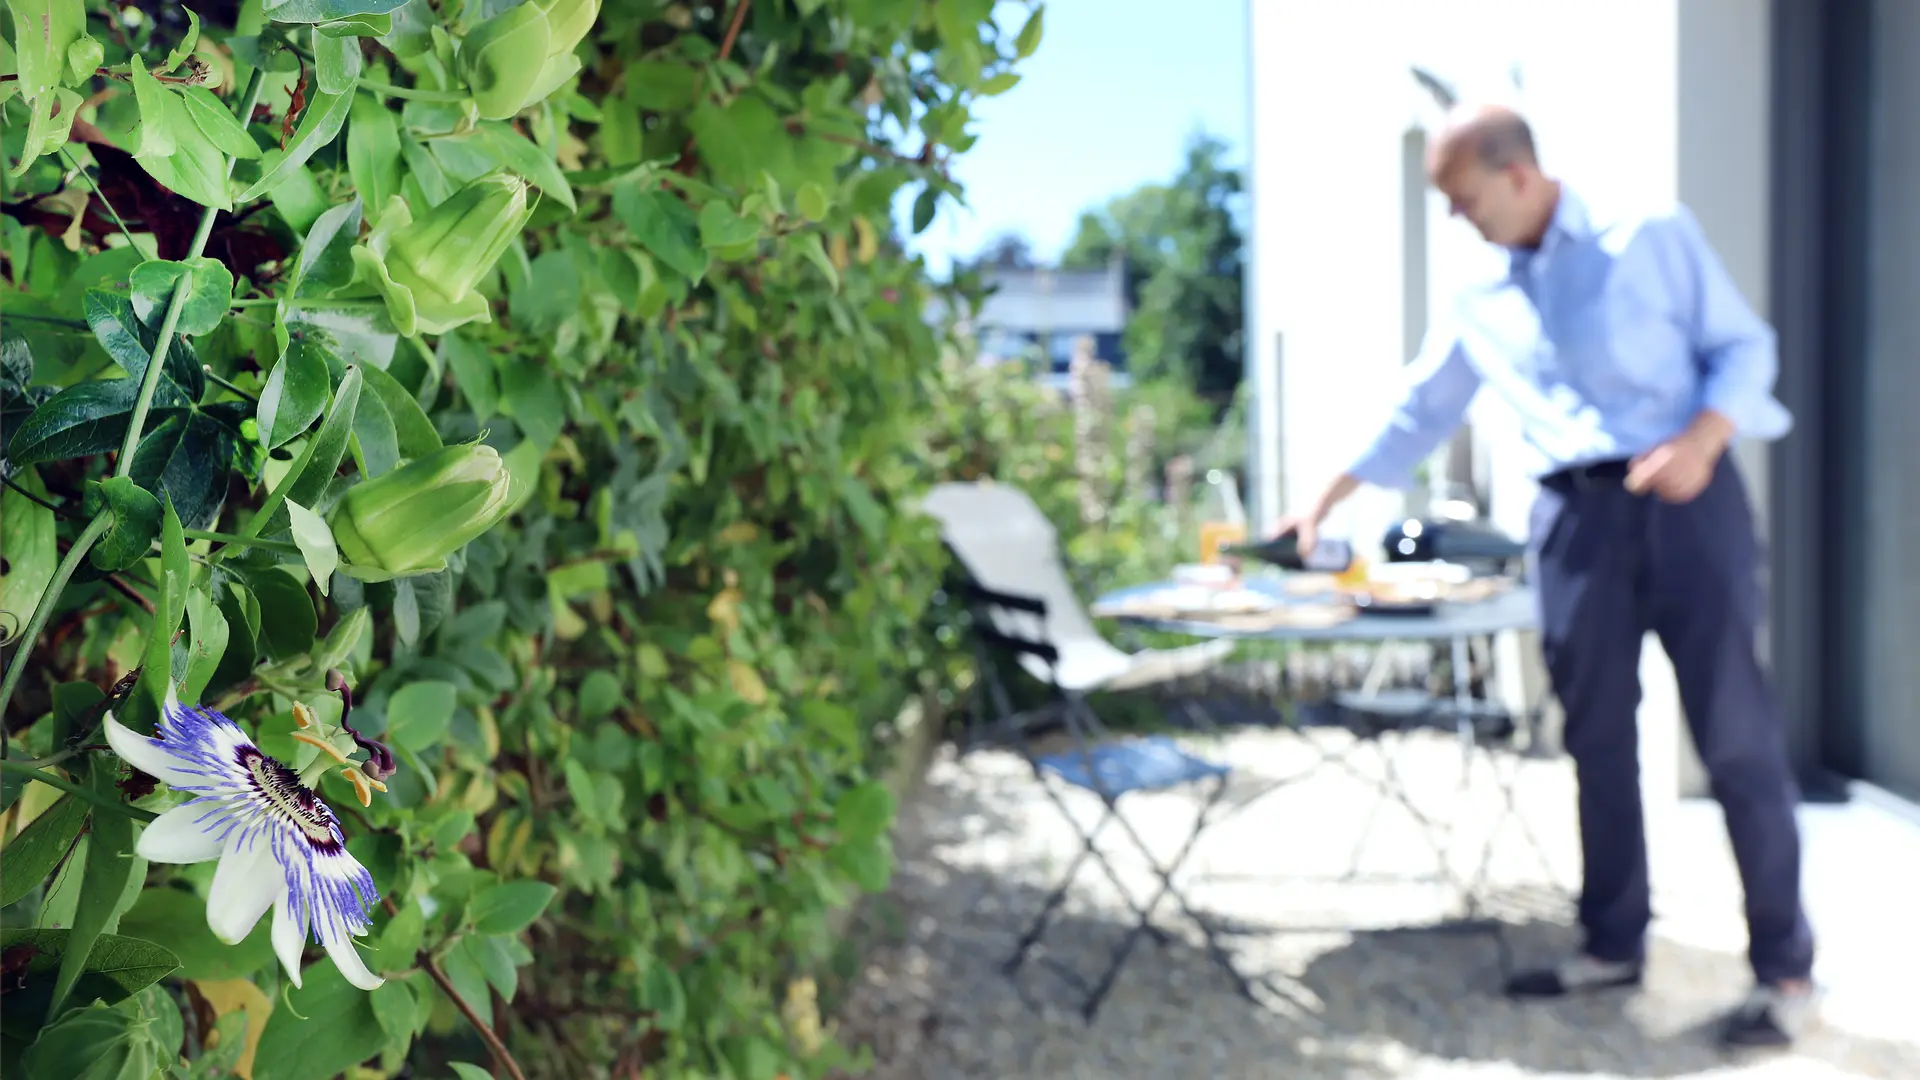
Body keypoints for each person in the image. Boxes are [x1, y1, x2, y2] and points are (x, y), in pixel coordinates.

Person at [1271, 102, 1817, 1049]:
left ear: (1517, 173)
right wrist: (1322, 501)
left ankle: (1785, 970)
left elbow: (1745, 348)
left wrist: (1704, 438)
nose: (1453, 218)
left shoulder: (1648, 234)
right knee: (1596, 737)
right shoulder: (1478, 295)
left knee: (1734, 736)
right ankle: (1612, 944)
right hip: (1571, 520)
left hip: (1687, 498)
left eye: (1460, 197)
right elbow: (1417, 409)